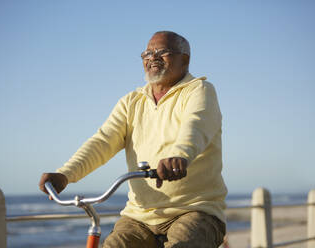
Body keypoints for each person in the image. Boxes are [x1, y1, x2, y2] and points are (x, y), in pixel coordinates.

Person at [39, 31, 227, 248]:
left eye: (162, 52)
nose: (152, 57)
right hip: (140, 216)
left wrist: (179, 156)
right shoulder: (131, 101)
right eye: (147, 53)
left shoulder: (199, 91)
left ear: (184, 60)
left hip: (194, 209)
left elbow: (196, 126)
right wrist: (65, 174)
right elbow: (102, 142)